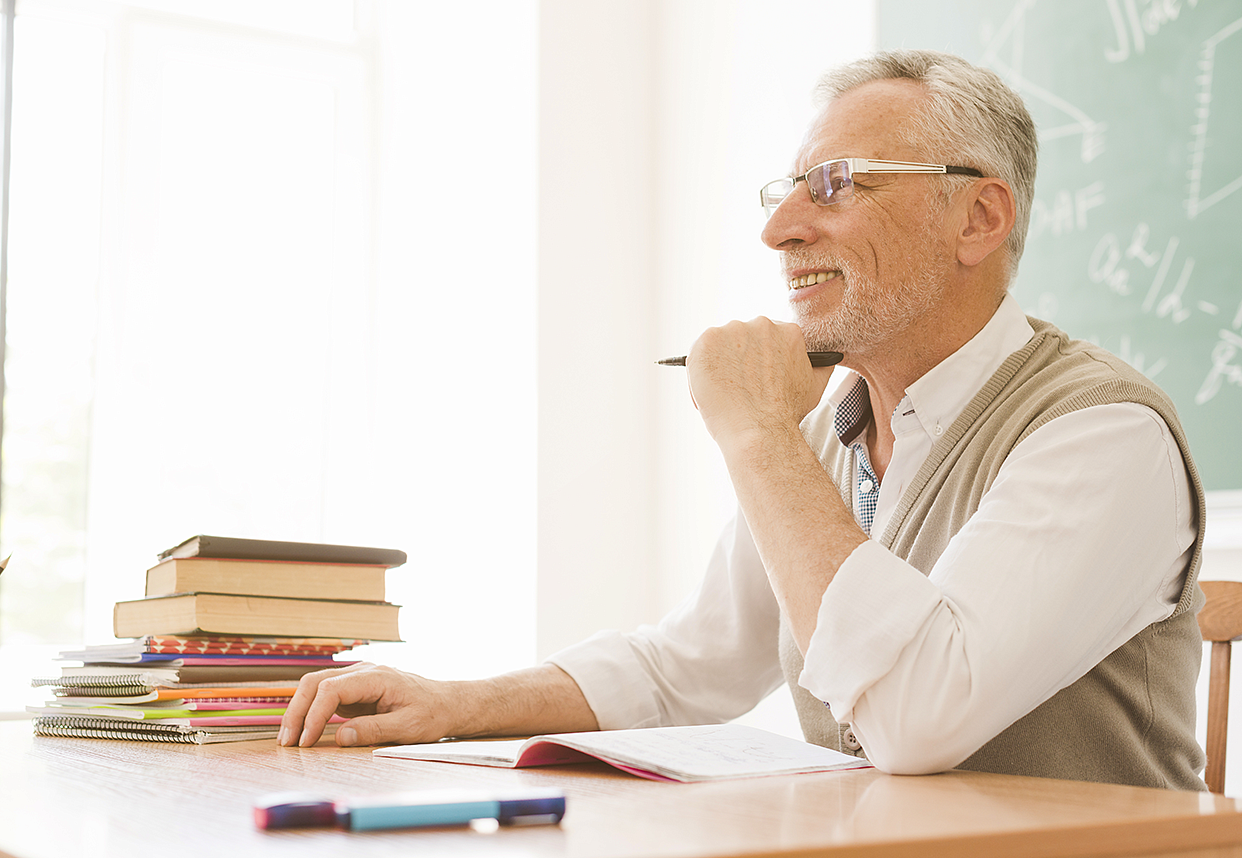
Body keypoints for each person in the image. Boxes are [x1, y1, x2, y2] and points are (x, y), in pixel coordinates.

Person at [279, 49, 1206, 790]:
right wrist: (452, 704)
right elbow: (689, 664)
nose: (781, 230)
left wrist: (758, 437)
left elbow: (922, 718)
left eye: (837, 183)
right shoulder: (831, 431)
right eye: (787, 190)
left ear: (979, 217)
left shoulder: (1101, 434)